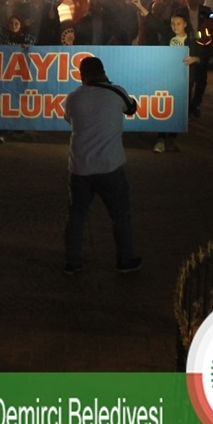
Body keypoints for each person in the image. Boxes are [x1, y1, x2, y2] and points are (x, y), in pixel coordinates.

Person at [62, 56, 142, 275]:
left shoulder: (73, 98)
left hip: (80, 168)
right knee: (120, 216)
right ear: (103, 72)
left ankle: (72, 262)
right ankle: (124, 260)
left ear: (82, 76)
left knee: (76, 216)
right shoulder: (117, 92)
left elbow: (69, 119)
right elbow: (131, 109)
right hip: (110, 166)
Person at [154, 13, 205, 153]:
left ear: (185, 24)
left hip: (185, 79)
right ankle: (161, 139)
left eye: (178, 23)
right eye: (173, 23)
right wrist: (140, 7)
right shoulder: (167, 36)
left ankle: (171, 139)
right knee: (164, 106)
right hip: (166, 77)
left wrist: (195, 58)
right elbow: (153, 23)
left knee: (178, 108)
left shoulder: (194, 37)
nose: (175, 26)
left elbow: (204, 55)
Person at [174, 0, 213, 118]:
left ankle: (196, 104)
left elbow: (210, 30)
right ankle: (186, 106)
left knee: (201, 80)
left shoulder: (206, 11)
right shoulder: (180, 11)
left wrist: (198, 36)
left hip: (202, 50)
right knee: (188, 80)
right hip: (186, 50)